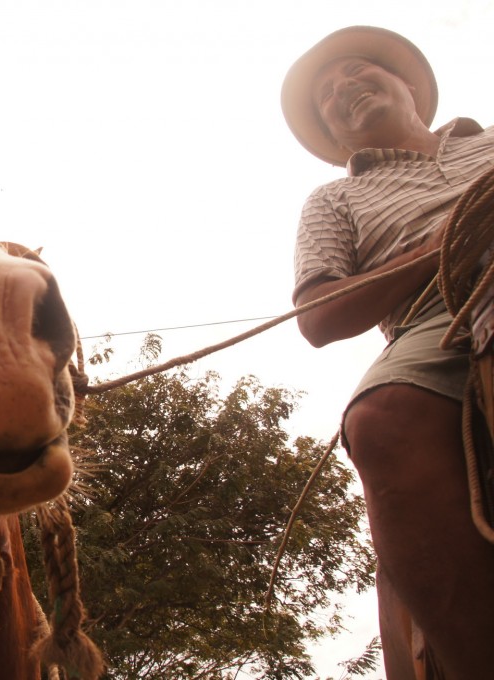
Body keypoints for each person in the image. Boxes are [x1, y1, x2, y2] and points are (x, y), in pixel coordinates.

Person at [281, 26, 494, 679]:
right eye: (325, 98)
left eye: (353, 72)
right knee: (379, 417)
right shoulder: (334, 200)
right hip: (438, 310)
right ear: (335, 135)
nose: (342, 90)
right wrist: (442, 248)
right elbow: (317, 317)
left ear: (410, 88)